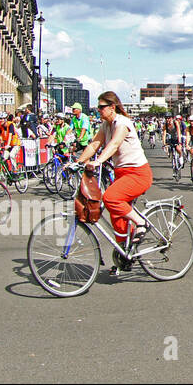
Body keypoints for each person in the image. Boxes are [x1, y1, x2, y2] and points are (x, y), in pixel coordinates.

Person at [75, 92, 151, 271]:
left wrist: (98, 161)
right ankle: (125, 253)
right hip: (121, 173)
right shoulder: (105, 125)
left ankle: (141, 223)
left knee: (110, 198)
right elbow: (94, 144)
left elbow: (114, 144)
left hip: (138, 173)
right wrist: (77, 162)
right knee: (117, 217)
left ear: (112, 107)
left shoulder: (122, 123)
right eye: (98, 107)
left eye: (101, 107)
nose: (98, 110)